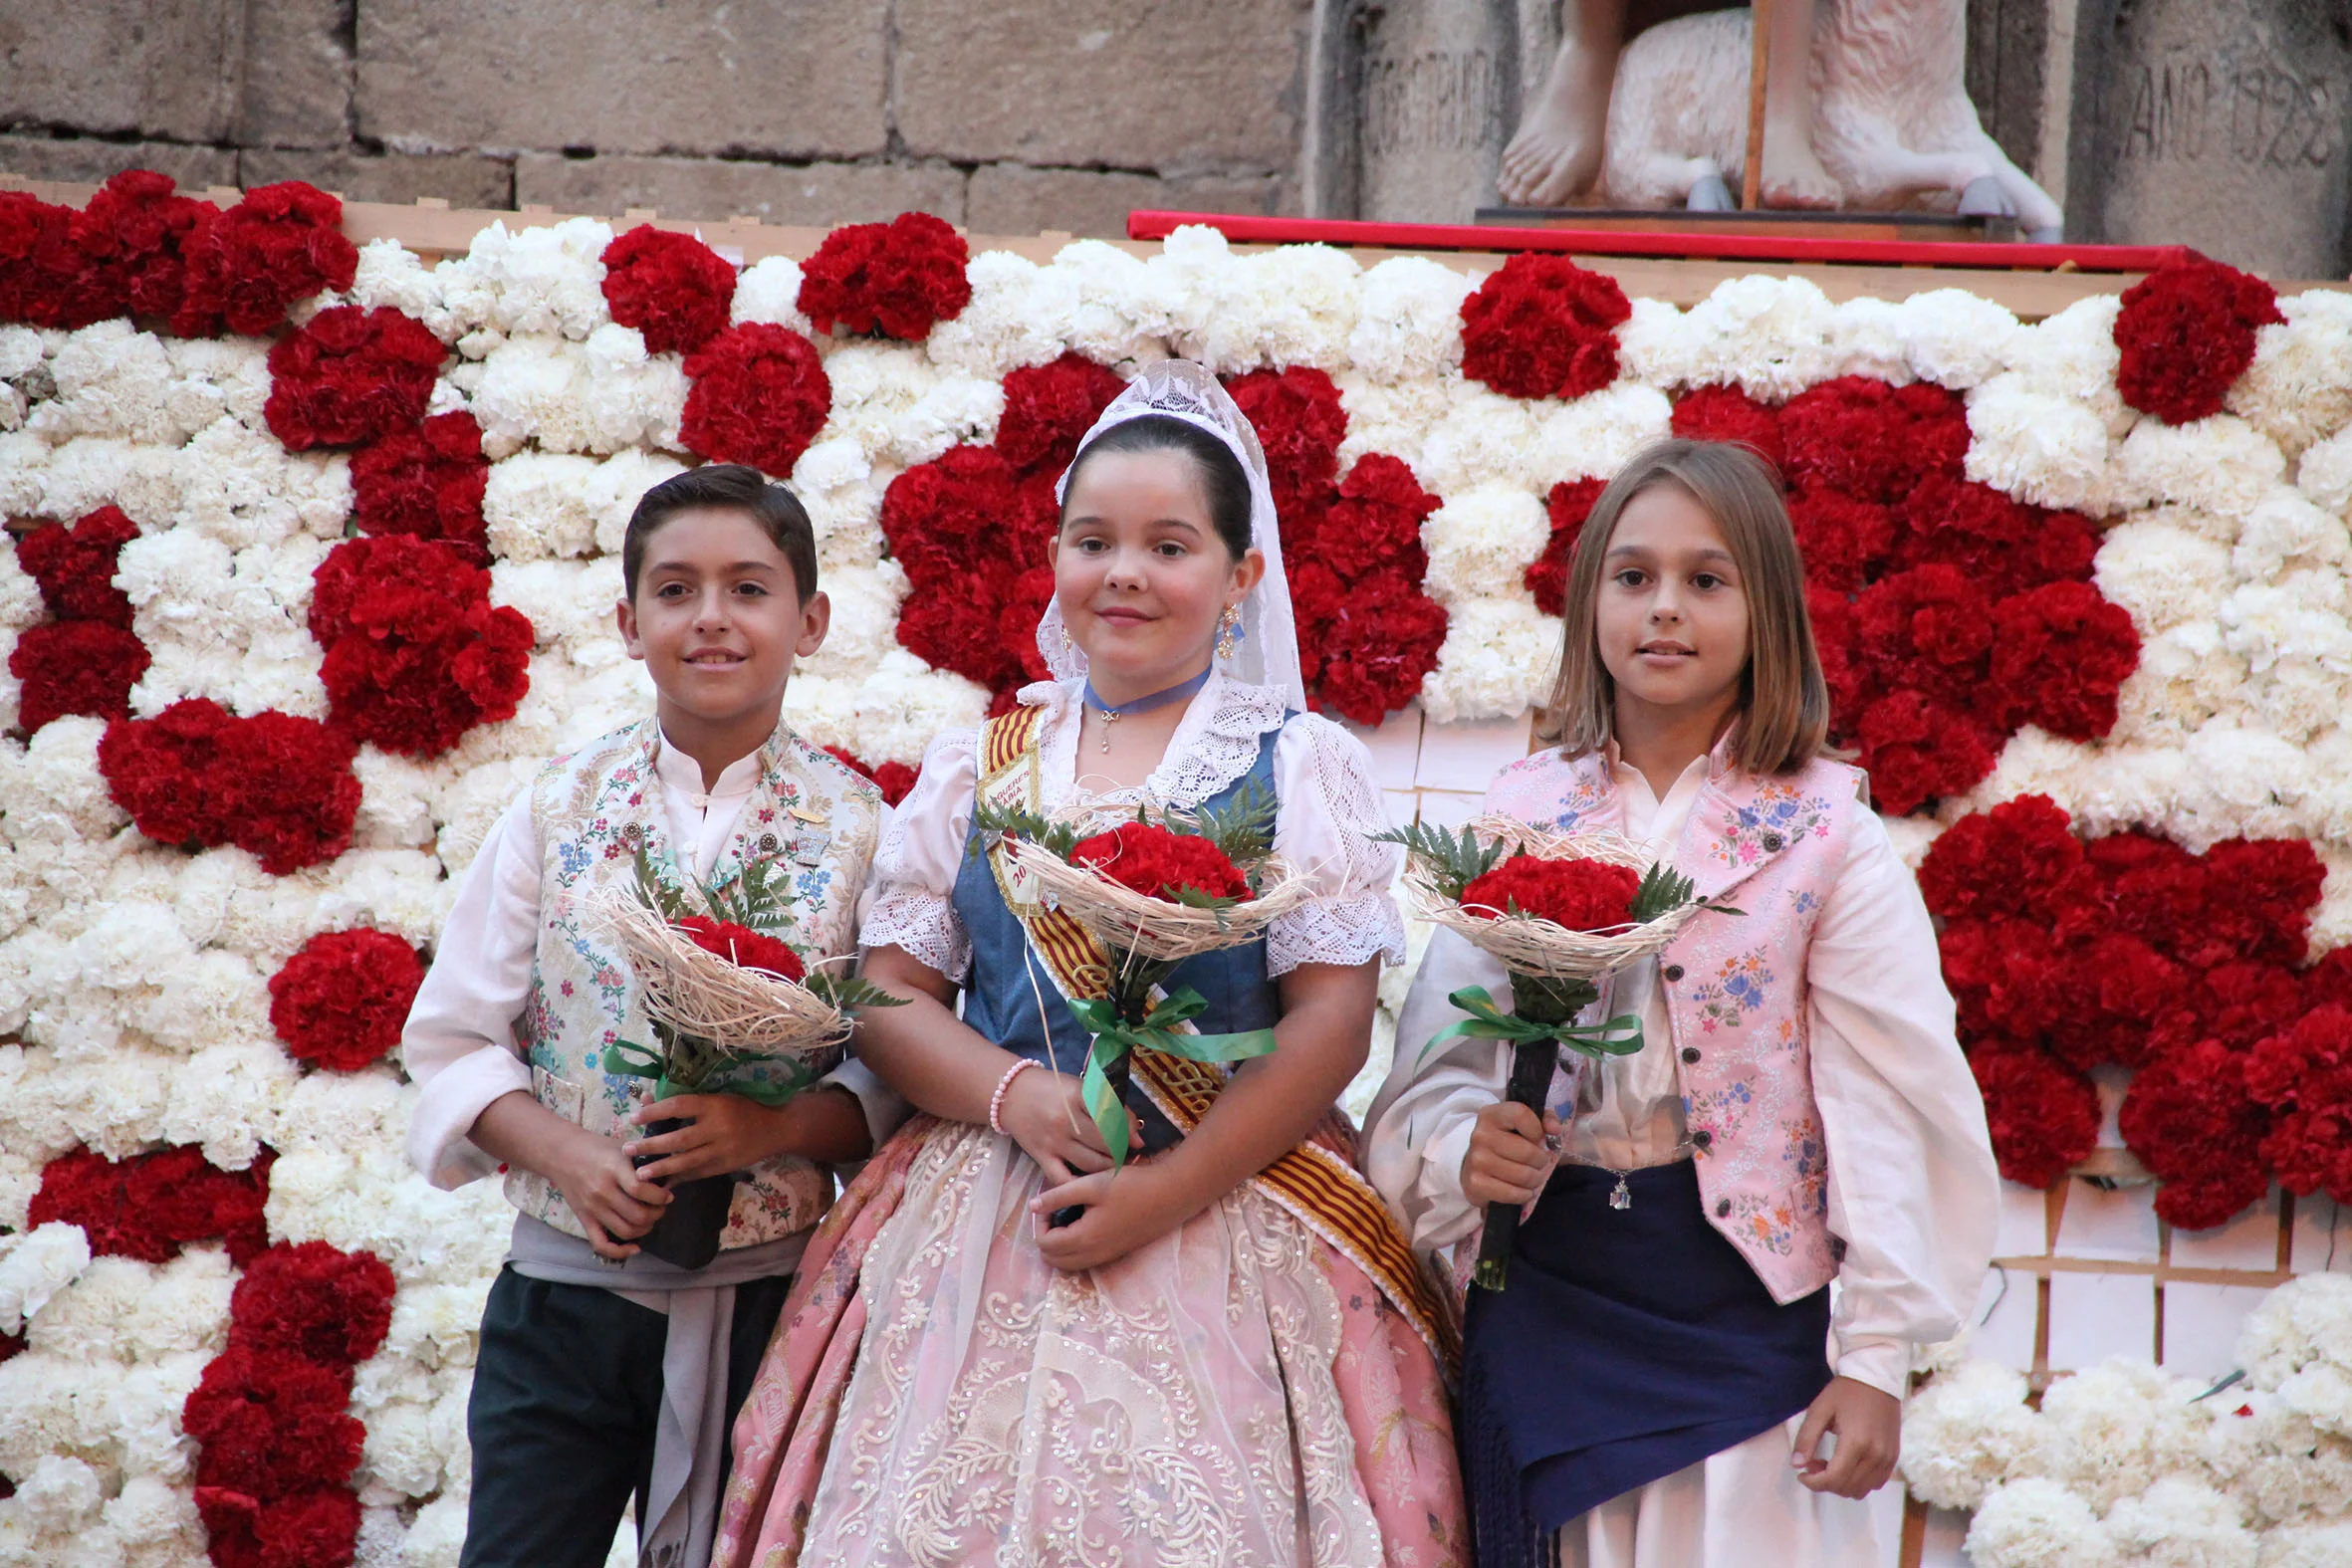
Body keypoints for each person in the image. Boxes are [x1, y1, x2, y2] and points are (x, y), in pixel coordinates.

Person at [716, 362, 1465, 1568]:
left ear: (1242, 578)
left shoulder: (1299, 761)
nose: (1124, 572)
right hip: (982, 1196)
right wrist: (1019, 1095)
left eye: (1170, 546)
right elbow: (891, 995)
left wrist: (1167, 1190)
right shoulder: (982, 758)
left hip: (1229, 1198)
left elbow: (1328, 1025)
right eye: (1092, 540)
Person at [1363, 439, 1999, 1567]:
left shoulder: (1825, 832)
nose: (1664, 610)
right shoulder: (1521, 809)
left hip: (1752, 1313)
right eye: (1632, 576)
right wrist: (1466, 1150)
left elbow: (1884, 1099)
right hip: (1552, 1298)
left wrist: (1873, 1356)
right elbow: (1438, 1058)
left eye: (1706, 581)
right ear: (1588, 603)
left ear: (1766, 614)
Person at [401, 464, 900, 1568]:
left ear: (809, 621)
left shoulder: (866, 829)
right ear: (628, 624)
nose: (711, 618)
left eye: (749, 588)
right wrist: (570, 1157)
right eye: (675, 590)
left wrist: (771, 1130)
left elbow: (891, 1073)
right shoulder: (557, 806)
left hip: (774, 1301)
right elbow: (453, 1039)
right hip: (561, 1305)